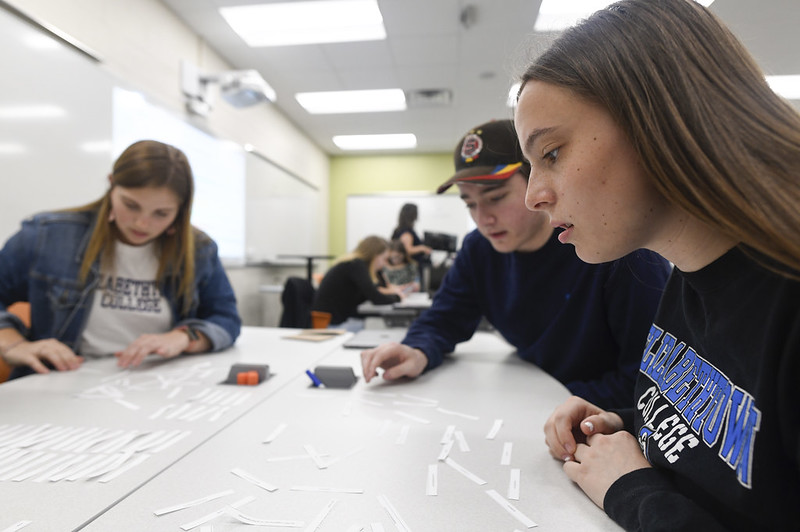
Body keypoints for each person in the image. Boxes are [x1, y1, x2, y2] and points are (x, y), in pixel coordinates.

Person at [514, 1, 800, 530]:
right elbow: (728, 444)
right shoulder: (690, 275)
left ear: (659, 118)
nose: (533, 196)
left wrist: (632, 490)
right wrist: (628, 422)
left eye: (551, 153)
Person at [361, 119, 671, 409]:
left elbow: (650, 381)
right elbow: (446, 318)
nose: (483, 219)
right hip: (535, 398)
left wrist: (551, 406)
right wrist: (416, 350)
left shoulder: (621, 252)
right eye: (470, 204)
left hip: (596, 418)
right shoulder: (480, 250)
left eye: (495, 197)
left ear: (538, 184)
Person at [0, 140, 241, 377]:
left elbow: (226, 318)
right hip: (61, 381)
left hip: (156, 380)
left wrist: (183, 337)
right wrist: (13, 344)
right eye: (131, 205)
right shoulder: (47, 235)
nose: (142, 223)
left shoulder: (198, 249)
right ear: (112, 185)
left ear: (181, 210)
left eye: (161, 213)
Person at [312, 235, 404, 330]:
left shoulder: (357, 265)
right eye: (384, 259)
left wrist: (379, 272)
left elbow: (377, 289)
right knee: (377, 328)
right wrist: (398, 297)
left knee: (376, 326)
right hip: (331, 326)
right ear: (374, 256)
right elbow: (376, 298)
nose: (385, 264)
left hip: (338, 320)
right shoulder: (356, 265)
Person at [391, 203, 432, 283]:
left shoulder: (399, 230)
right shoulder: (406, 232)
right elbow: (407, 250)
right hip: (410, 270)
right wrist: (422, 248)